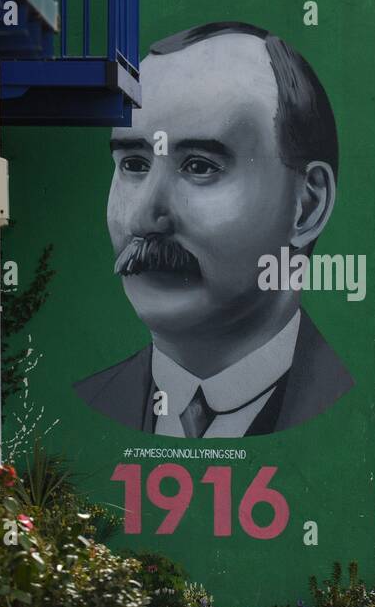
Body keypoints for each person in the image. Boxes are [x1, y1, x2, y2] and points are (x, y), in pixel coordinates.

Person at [73, 22, 354, 437]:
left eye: (200, 167)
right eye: (134, 165)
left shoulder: (341, 414)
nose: (142, 219)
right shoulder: (94, 404)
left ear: (307, 206)